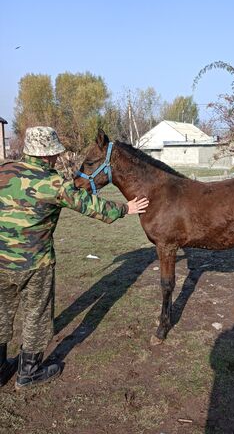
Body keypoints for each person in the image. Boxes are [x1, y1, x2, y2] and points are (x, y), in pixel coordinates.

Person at [0, 126, 149, 390]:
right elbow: (89, 205)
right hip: (35, 264)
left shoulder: (4, 171)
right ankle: (29, 373)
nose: (56, 159)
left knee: (1, 313)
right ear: (47, 156)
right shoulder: (53, 182)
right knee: (37, 314)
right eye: (54, 154)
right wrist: (126, 208)